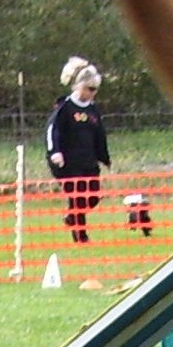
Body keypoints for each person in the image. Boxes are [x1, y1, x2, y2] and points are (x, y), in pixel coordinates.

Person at [45, 56, 109, 245]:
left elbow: (99, 134)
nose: (93, 93)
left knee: (93, 198)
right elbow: (53, 130)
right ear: (78, 85)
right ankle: (81, 237)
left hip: (89, 162)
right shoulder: (64, 107)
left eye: (95, 89)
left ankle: (71, 218)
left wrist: (104, 157)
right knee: (77, 198)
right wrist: (54, 152)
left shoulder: (93, 110)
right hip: (68, 163)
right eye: (90, 88)